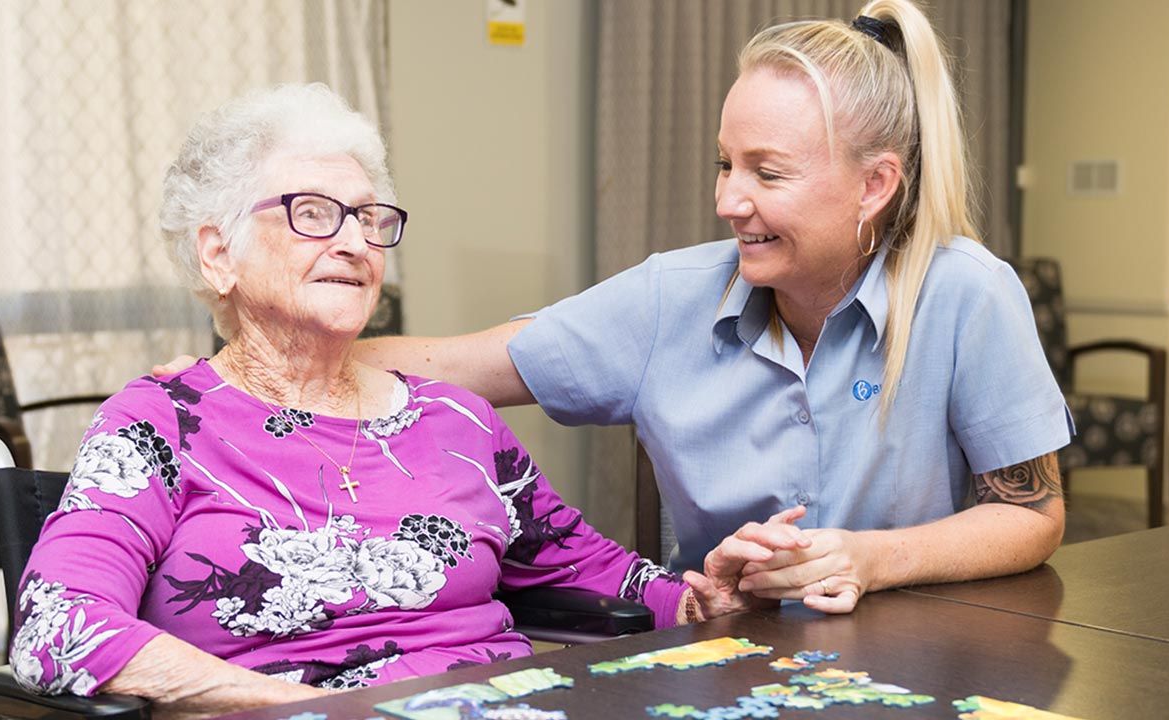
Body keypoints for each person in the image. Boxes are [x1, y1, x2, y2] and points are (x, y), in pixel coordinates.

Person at [164, 0, 1069, 617]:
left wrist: (871, 560)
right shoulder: (676, 294)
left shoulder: (968, 294)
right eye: (725, 163)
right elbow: (466, 362)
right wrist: (245, 372)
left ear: (875, 185)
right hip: (731, 651)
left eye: (768, 172)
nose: (728, 199)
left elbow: (1033, 515)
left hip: (932, 649)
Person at [11, 83, 750, 719]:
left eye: (369, 218)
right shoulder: (158, 424)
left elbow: (595, 572)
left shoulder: (457, 420)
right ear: (218, 252)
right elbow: (59, 625)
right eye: (311, 212)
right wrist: (304, 709)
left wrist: (699, 597)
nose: (355, 243)